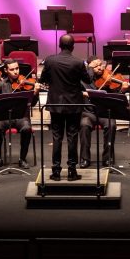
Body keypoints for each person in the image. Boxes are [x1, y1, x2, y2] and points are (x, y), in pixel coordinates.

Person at [39, 33, 91, 180]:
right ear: (73, 47)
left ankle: (56, 171)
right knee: (72, 137)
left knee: (57, 137)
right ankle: (71, 171)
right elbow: (86, 79)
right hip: (74, 104)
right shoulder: (78, 62)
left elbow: (43, 79)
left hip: (56, 104)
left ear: (59, 45)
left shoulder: (50, 60)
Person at [0, 58, 35, 169]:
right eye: (12, 69)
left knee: (27, 129)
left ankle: (22, 159)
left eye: (17, 68)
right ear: (6, 70)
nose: (16, 72)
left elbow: (32, 103)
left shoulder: (25, 83)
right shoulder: (0, 84)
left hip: (21, 116)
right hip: (4, 117)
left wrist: (36, 92)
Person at [79, 58, 117, 168]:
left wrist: (123, 89)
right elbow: (74, 91)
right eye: (96, 66)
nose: (100, 68)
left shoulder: (108, 78)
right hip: (88, 113)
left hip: (104, 113)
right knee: (84, 125)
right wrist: (83, 93)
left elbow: (116, 95)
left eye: (101, 65)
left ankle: (107, 158)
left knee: (111, 125)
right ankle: (85, 158)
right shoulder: (83, 80)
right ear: (89, 67)